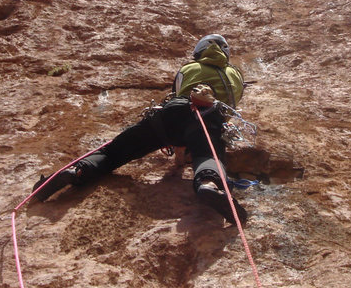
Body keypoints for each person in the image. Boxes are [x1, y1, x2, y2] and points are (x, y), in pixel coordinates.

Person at [31, 34, 248, 225]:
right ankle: (208, 185)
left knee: (114, 152)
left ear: (199, 53)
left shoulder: (188, 68)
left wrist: (178, 151)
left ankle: (77, 171)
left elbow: (179, 94)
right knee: (208, 154)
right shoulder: (235, 74)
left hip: (169, 115)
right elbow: (231, 105)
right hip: (209, 119)